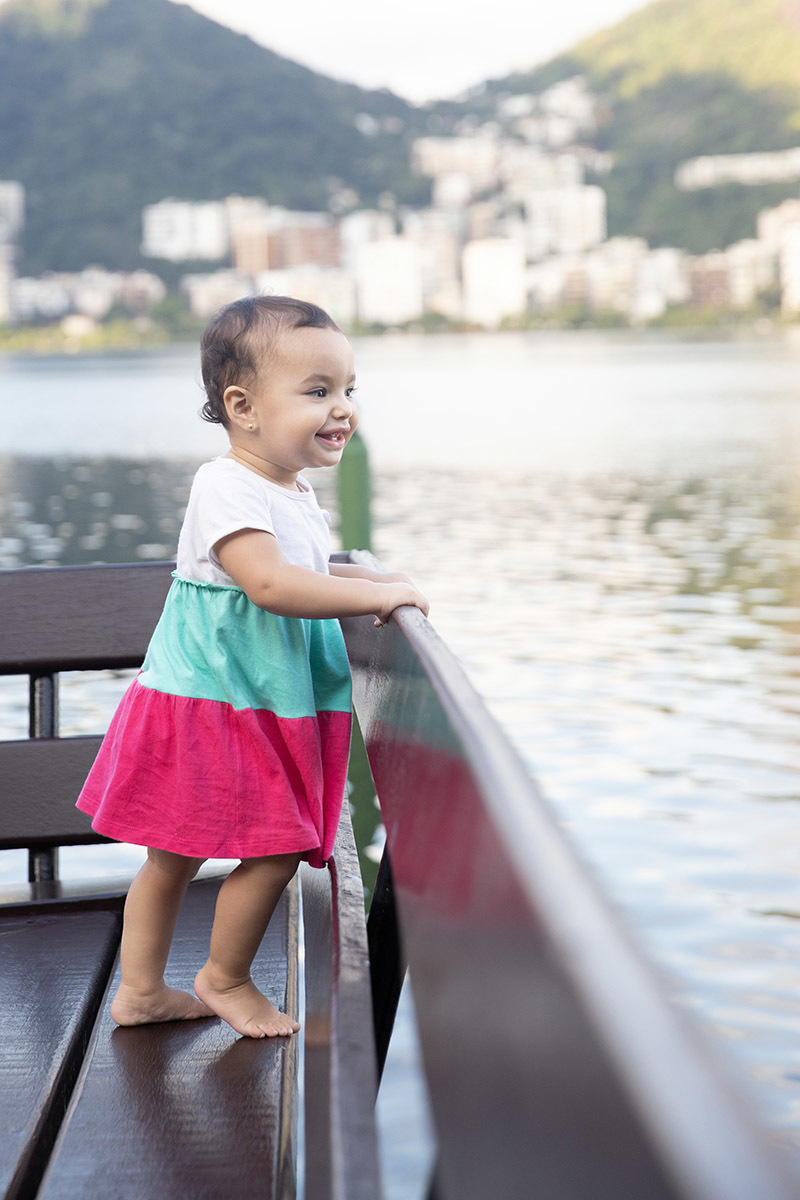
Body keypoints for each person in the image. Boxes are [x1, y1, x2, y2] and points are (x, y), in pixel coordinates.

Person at [77, 295, 429, 1039]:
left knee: (200, 855)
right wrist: (374, 590)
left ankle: (143, 993)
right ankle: (222, 979)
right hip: (210, 702)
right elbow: (269, 584)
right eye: (317, 391)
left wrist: (367, 581)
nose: (342, 410)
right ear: (242, 406)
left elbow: (304, 569)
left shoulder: (288, 491)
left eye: (348, 390)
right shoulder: (225, 487)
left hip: (242, 699)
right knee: (259, 849)